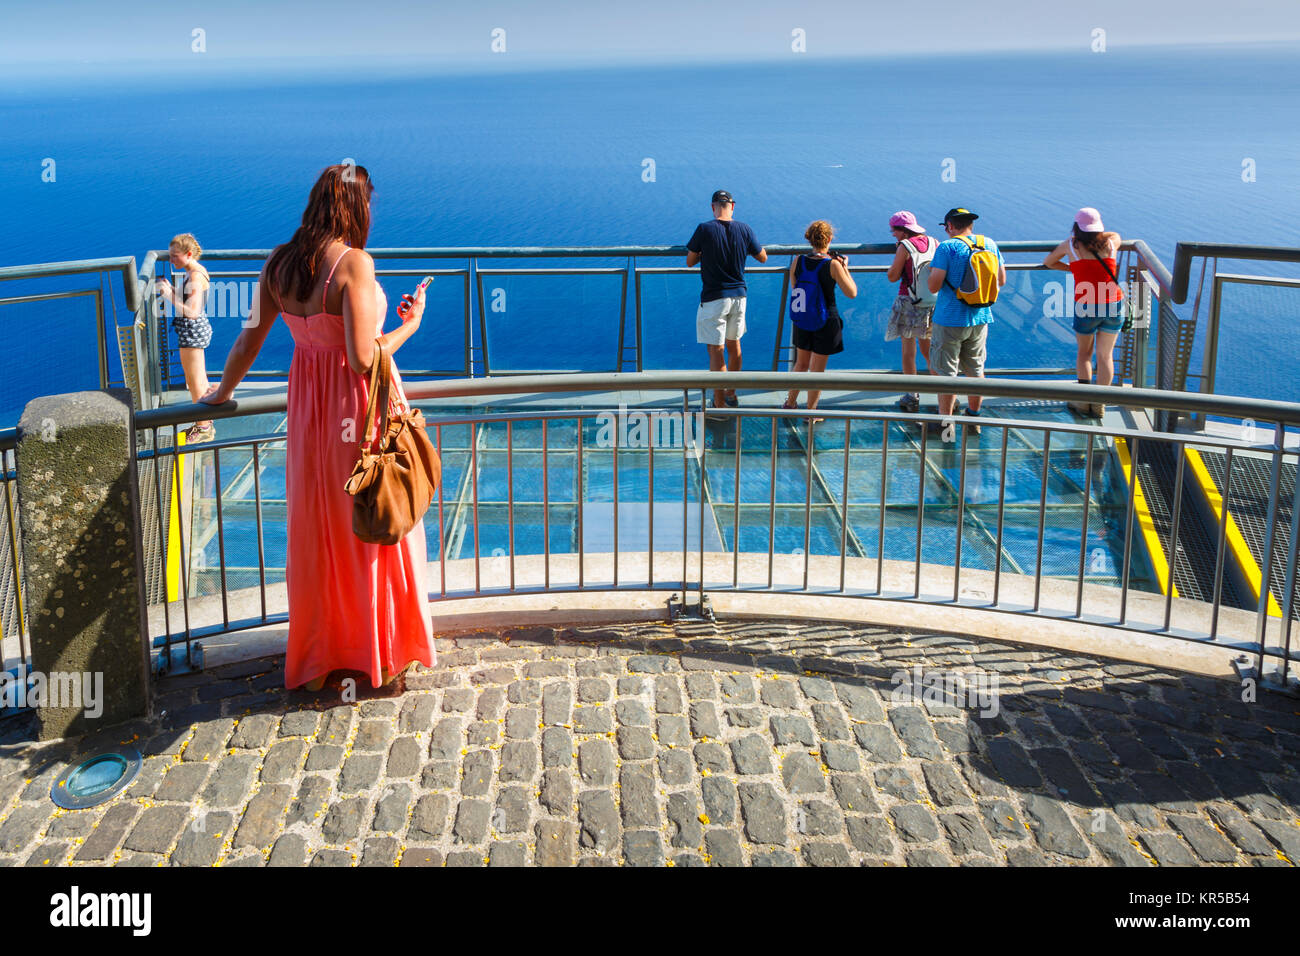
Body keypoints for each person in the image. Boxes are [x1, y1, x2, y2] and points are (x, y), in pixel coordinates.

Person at [200, 164, 434, 692]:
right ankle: (379, 653)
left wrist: (221, 393)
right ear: (356, 207)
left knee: (320, 529)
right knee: (373, 519)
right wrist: (410, 325)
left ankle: (325, 654)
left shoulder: (279, 264)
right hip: (360, 408)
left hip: (309, 412)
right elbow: (360, 358)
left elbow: (247, 343)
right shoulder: (354, 263)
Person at [926, 207, 1007, 441]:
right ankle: (974, 418)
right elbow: (1001, 280)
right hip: (981, 316)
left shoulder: (947, 247)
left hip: (950, 318)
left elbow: (933, 286)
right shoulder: (989, 244)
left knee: (945, 373)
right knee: (976, 369)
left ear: (950, 226)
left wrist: (934, 271)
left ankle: (946, 426)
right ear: (970, 225)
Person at [686, 190, 767, 412]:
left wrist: (706, 252)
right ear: (732, 206)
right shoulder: (745, 229)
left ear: (713, 207)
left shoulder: (705, 229)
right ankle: (731, 394)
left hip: (715, 297)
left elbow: (690, 261)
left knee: (716, 351)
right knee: (735, 345)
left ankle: (719, 403)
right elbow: (762, 257)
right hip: (739, 296)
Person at [1043, 208, 1125, 418]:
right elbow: (1115, 235)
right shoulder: (1110, 242)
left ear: (1076, 227)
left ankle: (1082, 402)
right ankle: (1100, 403)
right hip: (1113, 303)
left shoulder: (1071, 245)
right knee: (1106, 356)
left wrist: (1073, 268)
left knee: (1084, 354)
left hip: (1086, 305)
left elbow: (1049, 262)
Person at [783, 220, 857, 420]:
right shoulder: (832, 264)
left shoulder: (798, 261)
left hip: (802, 318)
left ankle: (790, 403)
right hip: (825, 320)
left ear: (809, 239)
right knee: (817, 369)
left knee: (801, 364)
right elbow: (852, 293)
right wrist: (844, 267)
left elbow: (795, 287)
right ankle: (811, 412)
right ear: (830, 239)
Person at [156, 234, 215, 442]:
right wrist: (170, 288)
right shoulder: (193, 270)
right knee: (195, 378)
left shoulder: (196, 277)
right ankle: (205, 420)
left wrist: (167, 295)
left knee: (195, 380)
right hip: (192, 331)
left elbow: (192, 311)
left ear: (189, 254)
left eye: (174, 256)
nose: (171, 260)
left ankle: (204, 427)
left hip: (192, 331)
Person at [884, 211, 938, 412]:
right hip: (931, 302)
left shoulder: (904, 247)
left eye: (894, 231)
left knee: (908, 352)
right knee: (930, 351)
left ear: (903, 231)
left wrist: (894, 263)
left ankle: (911, 394)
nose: (893, 235)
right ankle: (945, 391)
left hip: (909, 301)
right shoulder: (934, 242)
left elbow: (892, 276)